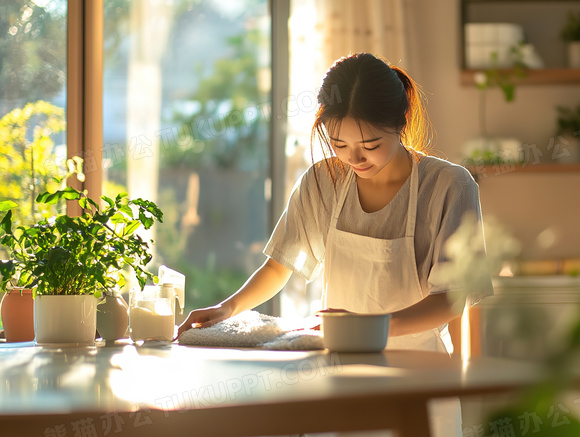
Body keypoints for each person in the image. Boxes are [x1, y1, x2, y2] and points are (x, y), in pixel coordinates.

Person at [177, 52, 493, 437]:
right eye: (338, 143)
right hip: (337, 377)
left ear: (401, 122)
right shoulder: (322, 181)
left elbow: (453, 297)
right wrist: (227, 308)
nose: (353, 158)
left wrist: (371, 327)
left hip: (418, 378)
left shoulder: (449, 186)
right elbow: (281, 265)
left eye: (370, 144)